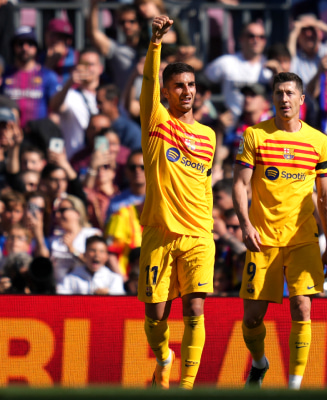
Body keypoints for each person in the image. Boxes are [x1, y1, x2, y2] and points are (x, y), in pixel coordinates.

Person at [232, 72, 327, 389]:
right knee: (252, 318)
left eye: (290, 93)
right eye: (279, 92)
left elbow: (325, 195)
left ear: (301, 99)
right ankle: (259, 363)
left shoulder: (319, 141)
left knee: (302, 307)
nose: (284, 98)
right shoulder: (255, 135)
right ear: (272, 98)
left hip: (303, 238)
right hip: (263, 239)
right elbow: (240, 184)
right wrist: (245, 225)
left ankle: (294, 386)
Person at [138, 16, 216, 390]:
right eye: (178, 86)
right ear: (166, 93)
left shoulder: (209, 135)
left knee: (195, 309)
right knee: (156, 316)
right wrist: (155, 44)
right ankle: (163, 358)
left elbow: (203, 184)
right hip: (160, 231)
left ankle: (185, 386)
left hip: (198, 234)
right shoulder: (156, 121)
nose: (186, 91)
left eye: (191, 85)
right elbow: (148, 81)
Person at [57, 235, 125, 295]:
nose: (97, 255)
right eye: (92, 250)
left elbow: (120, 300)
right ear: (84, 254)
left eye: (101, 251)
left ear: (107, 256)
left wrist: (109, 293)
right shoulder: (71, 278)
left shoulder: (114, 279)